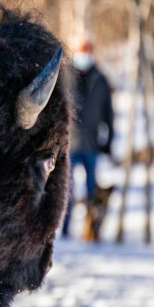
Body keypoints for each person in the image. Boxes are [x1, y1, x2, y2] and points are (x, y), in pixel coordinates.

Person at [62, 35, 114, 237]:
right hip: (69, 143)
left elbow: (108, 112)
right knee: (67, 190)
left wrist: (109, 139)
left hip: (92, 144)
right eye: (81, 50)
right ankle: (65, 231)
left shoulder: (101, 80)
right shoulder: (65, 76)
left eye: (87, 50)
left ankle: (92, 231)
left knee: (93, 191)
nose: (84, 54)